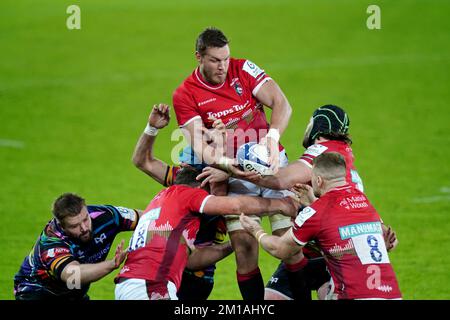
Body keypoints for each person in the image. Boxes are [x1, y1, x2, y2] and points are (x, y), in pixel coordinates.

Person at [199, 104, 398, 300]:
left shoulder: (322, 151)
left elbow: (281, 181)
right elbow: (379, 233)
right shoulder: (349, 176)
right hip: (334, 256)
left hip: (330, 261)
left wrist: (232, 171)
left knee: (328, 290)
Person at [172, 26, 293, 300]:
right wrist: (227, 164)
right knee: (245, 251)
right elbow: (199, 145)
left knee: (290, 244)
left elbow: (281, 103)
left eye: (226, 58)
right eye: (215, 60)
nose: (223, 66)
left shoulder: (243, 69)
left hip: (271, 162)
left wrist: (272, 139)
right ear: (199, 57)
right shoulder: (185, 94)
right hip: (234, 174)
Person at [114, 166, 299, 300]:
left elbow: (192, 261)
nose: (218, 195)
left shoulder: (162, 203)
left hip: (130, 284)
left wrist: (233, 245)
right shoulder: (186, 194)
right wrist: (281, 205)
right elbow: (236, 205)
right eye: (213, 190)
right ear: (201, 187)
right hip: (151, 285)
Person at [240, 152, 402, 300]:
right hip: (391, 294)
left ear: (318, 180)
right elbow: (388, 241)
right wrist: (313, 202)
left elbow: (280, 249)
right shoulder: (362, 200)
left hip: (353, 294)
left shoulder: (316, 213)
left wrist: (257, 231)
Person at [131, 103, 232, 300]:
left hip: (194, 278)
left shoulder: (229, 183)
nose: (182, 164)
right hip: (173, 271)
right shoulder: (185, 179)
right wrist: (151, 128)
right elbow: (142, 161)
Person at [13, 193, 141, 300]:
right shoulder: (52, 241)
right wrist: (112, 264)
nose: (84, 228)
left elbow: (149, 220)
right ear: (62, 226)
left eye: (85, 219)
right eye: (74, 226)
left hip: (73, 292)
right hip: (36, 290)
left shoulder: (106, 215)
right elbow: (73, 276)